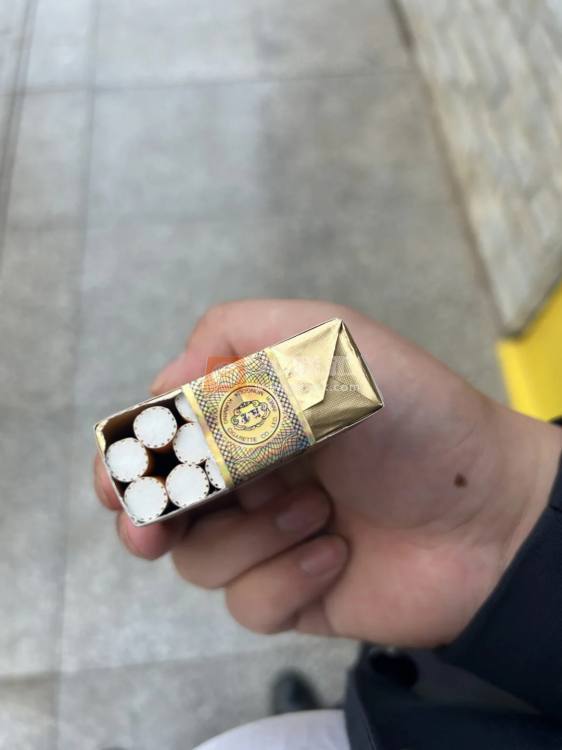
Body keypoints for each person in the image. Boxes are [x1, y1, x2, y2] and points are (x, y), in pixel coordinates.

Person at [94, 300, 562, 749]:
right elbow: (336, 374)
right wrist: (515, 515)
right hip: (446, 684)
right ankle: (345, 713)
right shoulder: (342, 380)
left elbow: (337, 377)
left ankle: (338, 717)